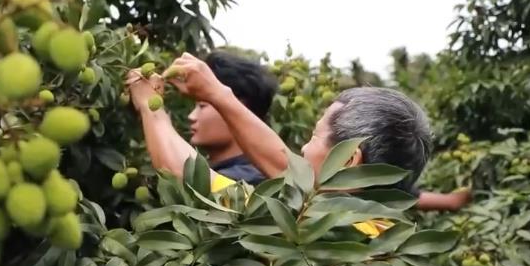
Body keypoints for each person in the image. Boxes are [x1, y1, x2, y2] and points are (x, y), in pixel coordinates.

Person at [130, 52, 469, 211]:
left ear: (348, 160)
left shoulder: (325, 233)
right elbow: (282, 163)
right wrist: (218, 94)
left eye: (314, 137)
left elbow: (186, 174)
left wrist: (149, 107)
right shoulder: (368, 216)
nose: (302, 150)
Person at [125, 51, 278, 185]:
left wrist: (149, 105)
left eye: (202, 106)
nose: (191, 116)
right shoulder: (226, 169)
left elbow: (184, 178)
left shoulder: (253, 179)